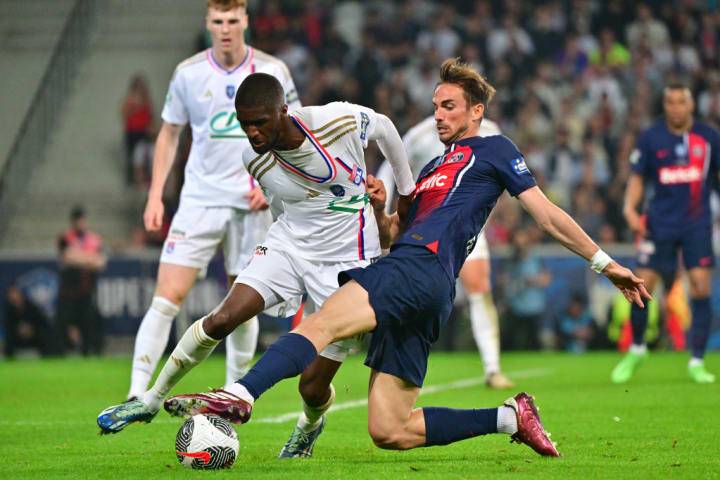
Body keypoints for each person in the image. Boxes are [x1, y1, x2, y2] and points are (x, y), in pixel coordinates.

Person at [159, 59, 650, 457]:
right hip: (420, 278)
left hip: (422, 269)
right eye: (436, 106)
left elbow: (547, 217)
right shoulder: (434, 165)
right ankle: (510, 417)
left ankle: (240, 395)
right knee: (389, 429)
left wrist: (604, 262)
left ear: (476, 111)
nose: (438, 115)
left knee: (324, 321)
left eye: (450, 107)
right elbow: (396, 233)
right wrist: (378, 205)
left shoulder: (495, 150)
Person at [97, 72, 416, 460]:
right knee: (221, 318)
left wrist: (406, 193)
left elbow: (384, 127)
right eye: (243, 123)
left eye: (260, 122)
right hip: (288, 245)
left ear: (283, 111)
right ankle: (149, 399)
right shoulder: (253, 157)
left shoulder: (335, 121)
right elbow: (280, 204)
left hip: (346, 260)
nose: (252, 132)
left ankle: (310, 425)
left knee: (312, 388)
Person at [125, 0, 302, 402]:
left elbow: (296, 130)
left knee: (243, 303)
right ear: (208, 24)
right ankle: (137, 392)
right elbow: (170, 134)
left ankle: (233, 393)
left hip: (251, 203)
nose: (225, 29)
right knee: (167, 296)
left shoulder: (273, 71)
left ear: (245, 22)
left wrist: (274, 182)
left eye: (232, 20)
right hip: (199, 200)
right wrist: (155, 195)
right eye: (217, 21)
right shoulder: (189, 73)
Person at [376, 113, 514, 389]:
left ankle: (492, 368)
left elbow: (502, 176)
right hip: (425, 228)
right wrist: (389, 213)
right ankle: (391, 363)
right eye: (439, 104)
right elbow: (387, 171)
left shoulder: (490, 130)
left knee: (479, 289)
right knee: (408, 294)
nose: (443, 111)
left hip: (466, 227)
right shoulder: (420, 134)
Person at [611, 83, 720, 384]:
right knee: (642, 285)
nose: (675, 107)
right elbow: (636, 177)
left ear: (691, 105)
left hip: (697, 223)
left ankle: (697, 361)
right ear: (665, 104)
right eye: (670, 102)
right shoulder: (651, 137)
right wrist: (630, 210)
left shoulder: (709, 138)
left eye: (681, 102)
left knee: (700, 287)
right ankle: (637, 349)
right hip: (659, 223)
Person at [56, 206, 107, 355]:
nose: (81, 223)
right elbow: (67, 257)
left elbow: (101, 261)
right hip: (68, 292)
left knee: (88, 324)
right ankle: (60, 353)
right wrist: (89, 259)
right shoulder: (65, 238)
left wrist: (80, 258)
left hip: (87, 291)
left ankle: (89, 352)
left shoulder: (94, 238)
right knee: (63, 324)